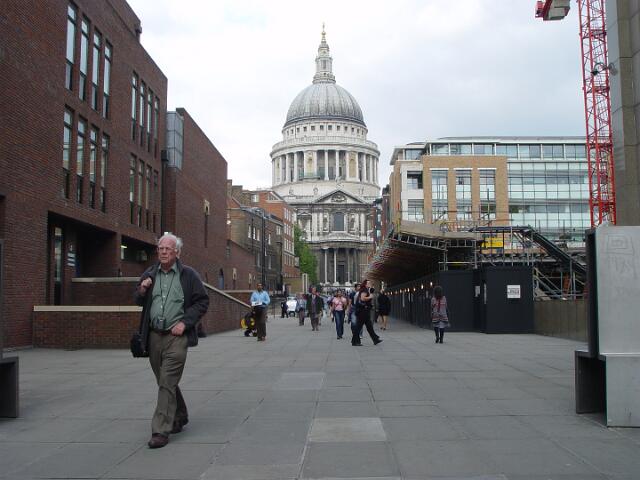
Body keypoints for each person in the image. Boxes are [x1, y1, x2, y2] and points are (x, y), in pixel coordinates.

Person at [134, 233, 209, 449]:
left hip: (177, 337)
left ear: (177, 252)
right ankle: (180, 414)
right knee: (164, 381)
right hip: (153, 336)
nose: (164, 252)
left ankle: (160, 430)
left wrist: (185, 323)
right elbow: (137, 299)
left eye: (168, 249)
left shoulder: (188, 275)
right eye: (160, 248)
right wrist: (142, 289)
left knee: (167, 381)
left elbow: (202, 301)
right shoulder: (150, 274)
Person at [351, 279, 382, 347]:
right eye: (368, 283)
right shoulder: (364, 290)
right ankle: (355, 341)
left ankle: (375, 339)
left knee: (369, 326)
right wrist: (370, 296)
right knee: (359, 327)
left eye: (370, 283)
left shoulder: (366, 290)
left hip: (364, 311)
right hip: (363, 311)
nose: (370, 284)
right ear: (365, 284)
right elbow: (362, 298)